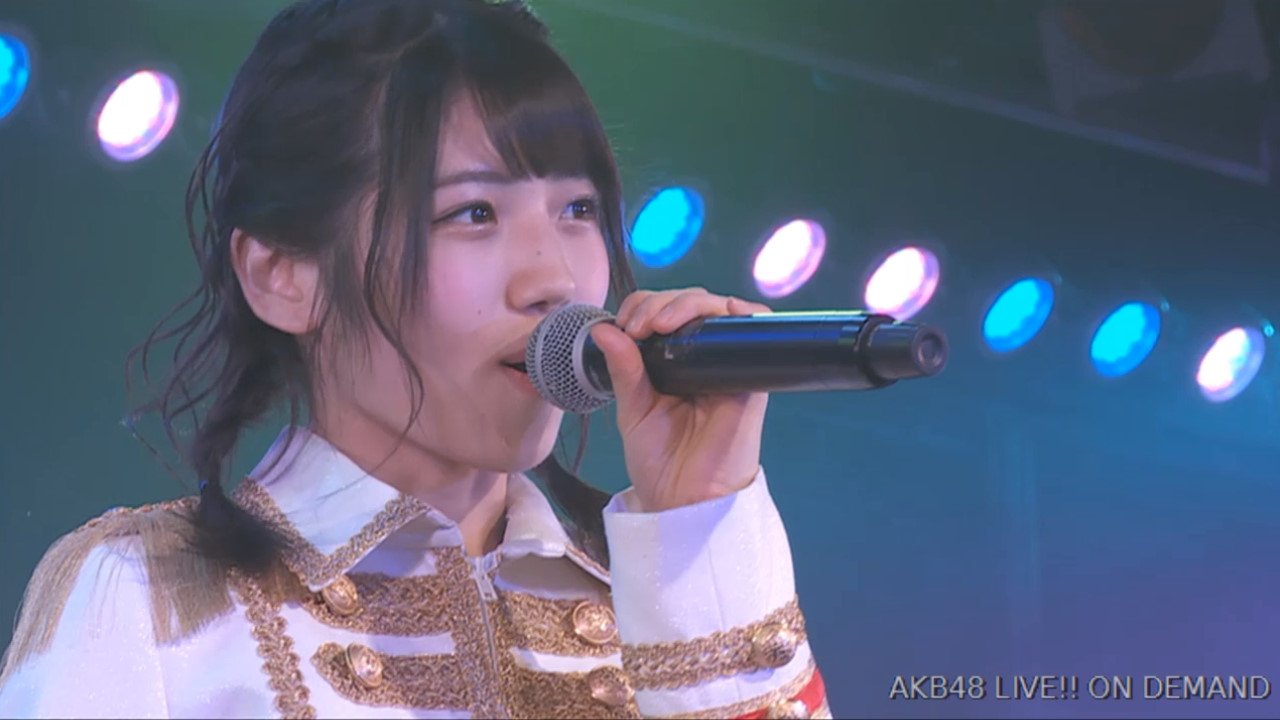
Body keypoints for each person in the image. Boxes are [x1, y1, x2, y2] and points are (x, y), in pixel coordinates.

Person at [0, 1, 829, 717]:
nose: (554, 278)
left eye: (578, 209)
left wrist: (701, 532)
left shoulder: (658, 602)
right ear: (283, 276)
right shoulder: (145, 602)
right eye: (473, 214)